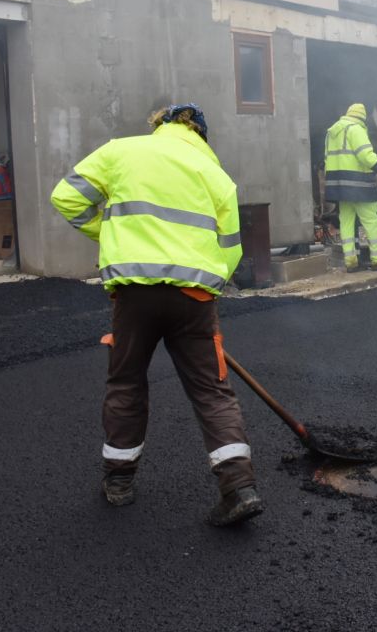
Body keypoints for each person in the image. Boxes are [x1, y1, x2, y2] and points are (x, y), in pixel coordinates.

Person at [50, 102, 263, 527]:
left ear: (160, 126)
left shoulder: (120, 151)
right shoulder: (215, 174)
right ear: (200, 134)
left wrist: (111, 234)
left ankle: (119, 482)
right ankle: (239, 488)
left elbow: (66, 198)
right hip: (194, 297)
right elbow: (232, 248)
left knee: (126, 382)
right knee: (212, 391)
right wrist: (208, 291)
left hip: (135, 294)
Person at [324, 103, 377, 271]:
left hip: (339, 186)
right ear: (362, 118)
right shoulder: (356, 129)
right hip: (359, 185)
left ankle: (351, 262)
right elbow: (366, 157)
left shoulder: (331, 132)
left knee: (347, 222)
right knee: (372, 220)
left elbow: (327, 158)